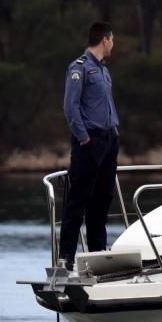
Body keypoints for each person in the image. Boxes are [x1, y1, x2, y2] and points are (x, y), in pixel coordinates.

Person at [58, 21, 120, 267]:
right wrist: (84, 137)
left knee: (102, 201)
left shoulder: (104, 70)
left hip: (109, 139)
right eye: (112, 39)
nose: (113, 44)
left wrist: (114, 134)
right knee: (78, 201)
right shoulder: (79, 68)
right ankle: (66, 259)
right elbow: (70, 107)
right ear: (105, 39)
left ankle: (97, 257)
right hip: (89, 141)